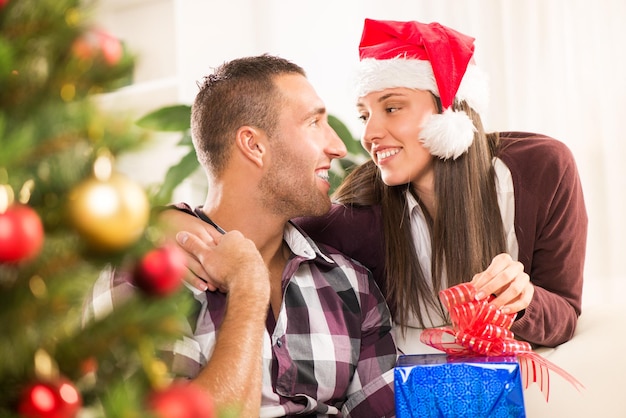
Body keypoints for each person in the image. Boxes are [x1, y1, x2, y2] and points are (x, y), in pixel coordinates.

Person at [166, 19, 587, 355]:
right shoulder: (357, 216)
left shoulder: (540, 170)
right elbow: (258, 215)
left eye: (391, 107)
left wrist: (524, 299)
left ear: (451, 110)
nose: (370, 134)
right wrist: (166, 224)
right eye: (365, 115)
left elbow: (565, 311)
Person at [85, 54, 397, 417]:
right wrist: (248, 291)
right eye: (313, 123)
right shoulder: (145, 278)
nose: (339, 146)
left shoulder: (351, 287)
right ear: (253, 145)